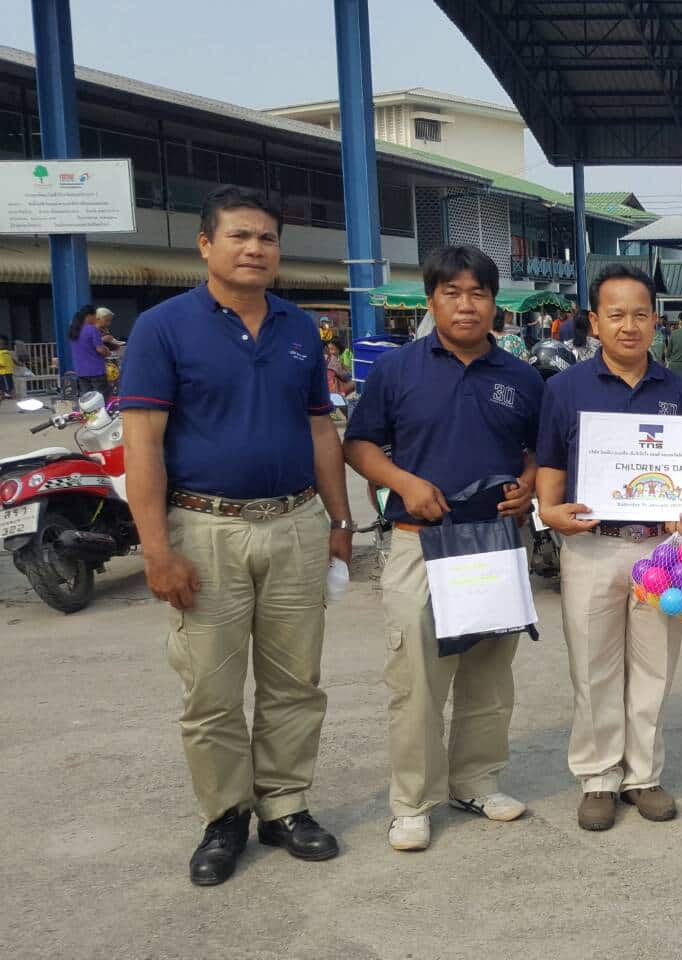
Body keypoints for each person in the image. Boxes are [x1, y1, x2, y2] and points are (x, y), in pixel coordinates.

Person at [117, 185, 354, 886]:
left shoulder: (299, 329)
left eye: (267, 238)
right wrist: (157, 550)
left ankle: (285, 805)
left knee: (295, 682)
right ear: (205, 245)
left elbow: (320, 430)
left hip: (296, 524)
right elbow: (142, 445)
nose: (255, 249)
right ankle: (225, 817)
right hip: (204, 529)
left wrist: (341, 522)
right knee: (211, 690)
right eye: (240, 236)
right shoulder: (163, 328)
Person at [342, 246, 543, 851]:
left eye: (478, 293)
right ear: (432, 300)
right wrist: (403, 483)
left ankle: (477, 781)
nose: (465, 305)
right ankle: (413, 801)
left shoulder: (521, 377)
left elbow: (541, 450)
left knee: (489, 675)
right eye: (452, 293)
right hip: (420, 544)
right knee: (417, 680)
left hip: (496, 545)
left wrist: (529, 483)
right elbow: (360, 445)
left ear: (494, 303)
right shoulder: (397, 370)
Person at [535, 265, 682, 832]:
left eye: (640, 314)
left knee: (655, 667)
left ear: (656, 320)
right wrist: (549, 511)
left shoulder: (681, 392)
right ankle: (599, 777)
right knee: (593, 666)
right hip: (592, 545)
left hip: (661, 550)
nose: (629, 326)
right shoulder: (564, 389)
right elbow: (549, 463)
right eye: (616, 314)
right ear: (595, 321)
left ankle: (643, 776)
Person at [69, 304, 115, 398]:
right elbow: (100, 349)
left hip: (81, 371)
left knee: (88, 399)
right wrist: (108, 352)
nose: (96, 319)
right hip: (96, 370)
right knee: (101, 398)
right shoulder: (92, 330)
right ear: (89, 316)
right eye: (95, 316)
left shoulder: (74, 330)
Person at [0, 334, 14, 399]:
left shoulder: (3, 353)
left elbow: (3, 363)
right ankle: (6, 393)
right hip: (7, 371)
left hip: (4, 372)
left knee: (5, 383)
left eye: (2, 344)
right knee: (7, 383)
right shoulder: (7, 352)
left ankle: (7, 393)